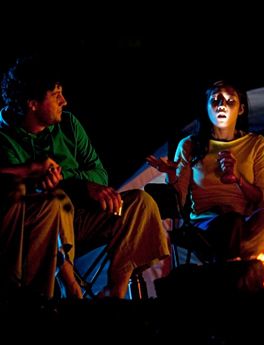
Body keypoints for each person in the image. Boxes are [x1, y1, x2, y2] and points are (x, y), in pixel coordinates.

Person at [0, 55, 170, 299]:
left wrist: (80, 184)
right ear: (32, 103)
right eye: (56, 94)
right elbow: (18, 195)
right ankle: (71, 289)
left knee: (139, 204)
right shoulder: (5, 137)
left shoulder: (68, 125)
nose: (64, 101)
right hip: (41, 233)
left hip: (84, 218)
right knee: (56, 200)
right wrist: (70, 185)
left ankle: (115, 292)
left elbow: (99, 173)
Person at [147, 80, 264, 261]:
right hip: (204, 224)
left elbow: (263, 200)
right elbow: (178, 201)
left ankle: (244, 273)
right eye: (215, 100)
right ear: (206, 108)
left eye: (230, 101)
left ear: (240, 109)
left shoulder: (256, 144)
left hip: (245, 221)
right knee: (232, 224)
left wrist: (238, 179)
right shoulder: (189, 145)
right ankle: (237, 276)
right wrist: (171, 174)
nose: (222, 105)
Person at [0, 159, 82, 299]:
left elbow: (99, 174)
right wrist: (29, 169)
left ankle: (115, 292)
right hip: (20, 210)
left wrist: (62, 176)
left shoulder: (70, 137)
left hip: (73, 204)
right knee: (50, 201)